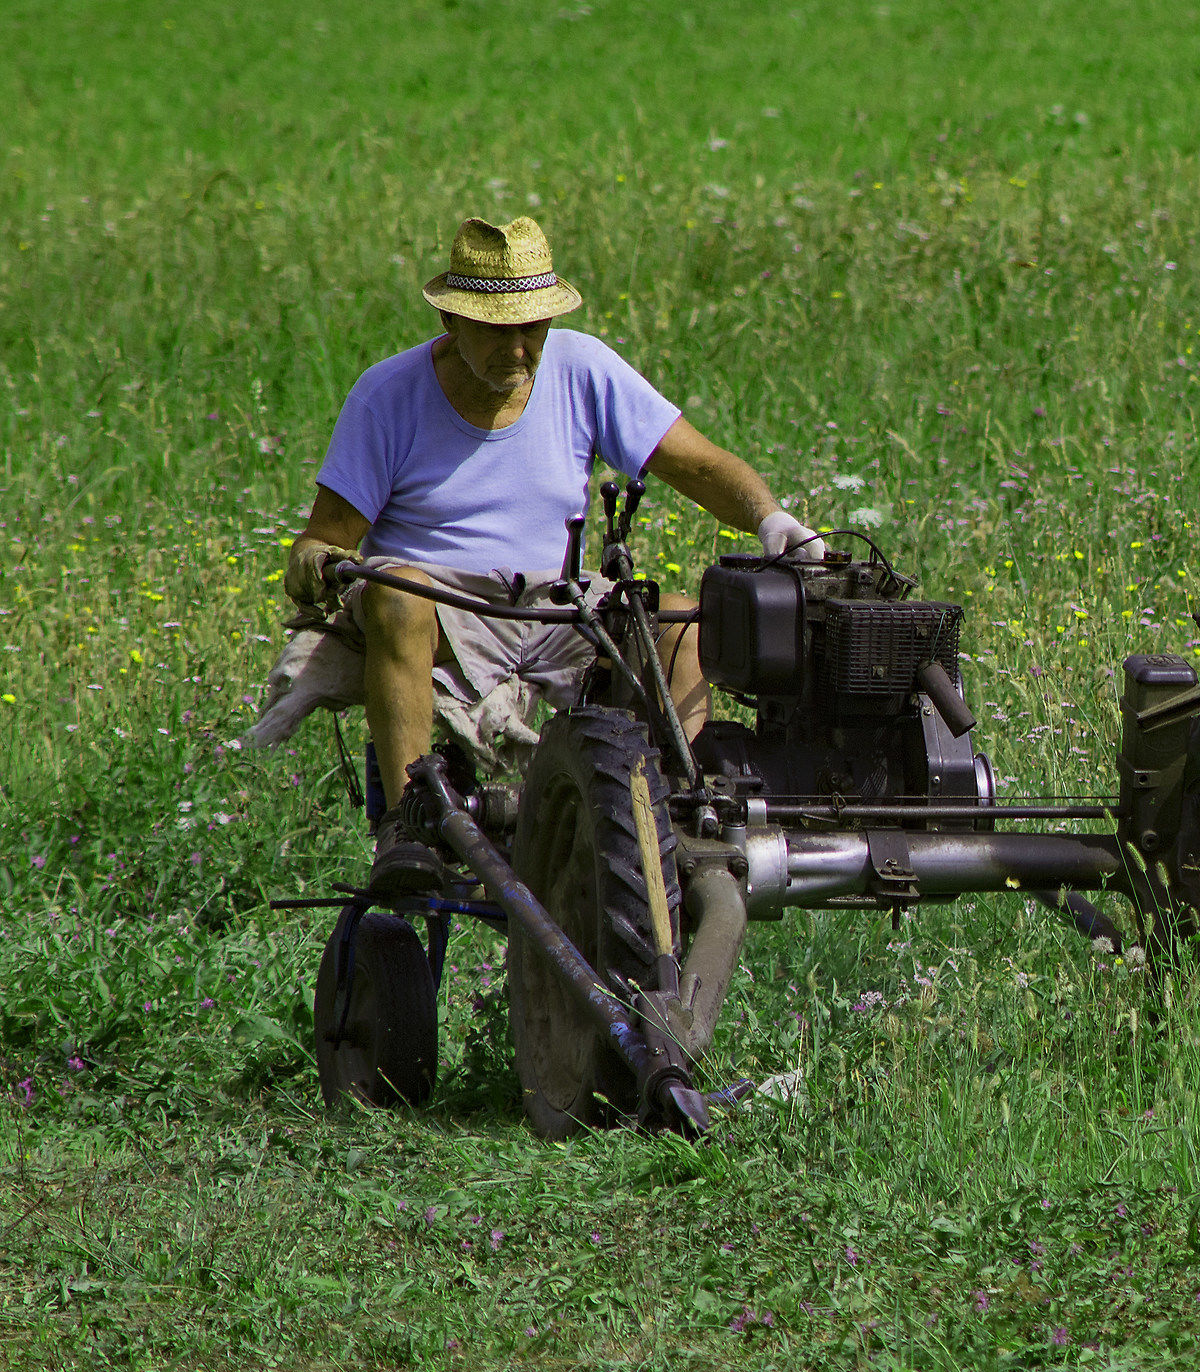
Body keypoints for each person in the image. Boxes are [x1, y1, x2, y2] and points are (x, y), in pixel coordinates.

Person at [243, 216, 819, 892]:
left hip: (555, 609)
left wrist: (771, 519)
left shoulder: (583, 368)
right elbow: (325, 537)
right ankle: (408, 823)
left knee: (679, 624)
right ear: (454, 320)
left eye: (533, 329)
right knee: (396, 593)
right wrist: (313, 563)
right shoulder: (388, 395)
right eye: (498, 330)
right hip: (438, 609)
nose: (519, 350)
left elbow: (696, 464)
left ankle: (672, 822)